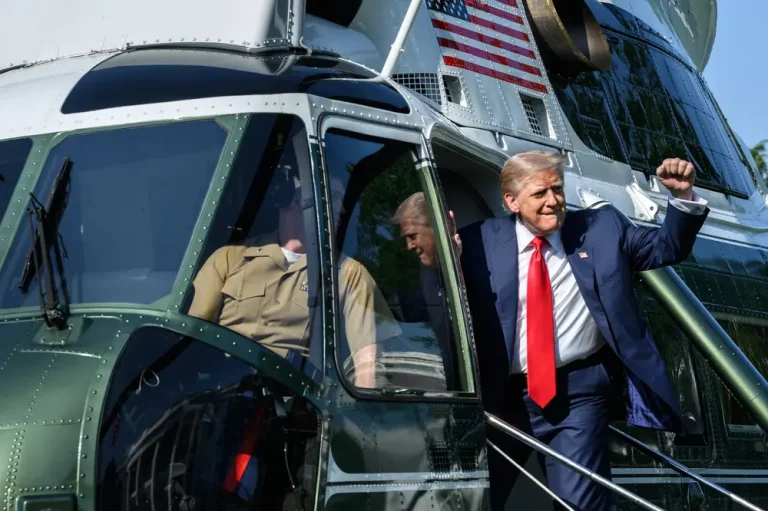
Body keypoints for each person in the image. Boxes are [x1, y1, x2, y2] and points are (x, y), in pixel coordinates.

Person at [458, 151, 709, 510]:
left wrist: (682, 198)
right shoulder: (477, 242)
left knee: (580, 502)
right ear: (511, 201)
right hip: (501, 398)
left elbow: (665, 248)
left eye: (557, 189)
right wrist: (439, 263)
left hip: (577, 395)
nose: (553, 201)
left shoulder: (602, 228)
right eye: (539, 194)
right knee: (473, 499)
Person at [188, 164, 396, 389]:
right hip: (222, 392)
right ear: (294, 197)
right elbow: (192, 336)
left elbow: (367, 363)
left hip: (294, 400)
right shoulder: (228, 259)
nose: (341, 209)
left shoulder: (348, 273)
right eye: (333, 197)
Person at [389, 192, 462, 390]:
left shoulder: (480, 261)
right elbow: (408, 306)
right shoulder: (426, 276)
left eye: (412, 236)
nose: (409, 246)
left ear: (440, 227)